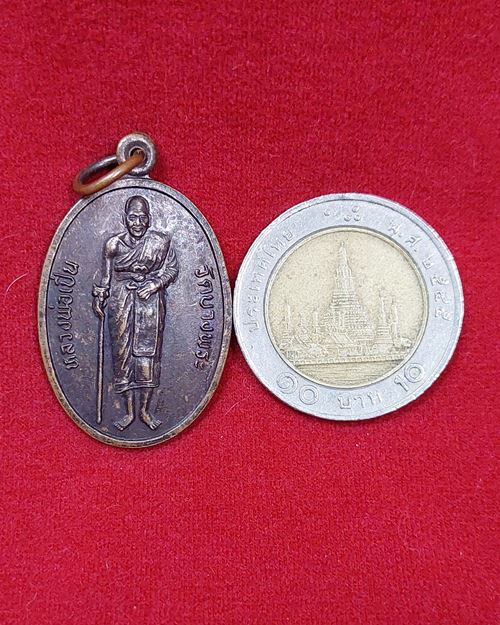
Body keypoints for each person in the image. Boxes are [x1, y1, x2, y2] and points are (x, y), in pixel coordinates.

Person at [92, 195, 178, 431]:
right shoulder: (113, 245)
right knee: (122, 355)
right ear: (125, 219)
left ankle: (144, 411)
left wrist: (155, 284)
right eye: (133, 218)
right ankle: (129, 412)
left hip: (150, 301)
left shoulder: (161, 242)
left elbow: (172, 269)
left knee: (147, 355)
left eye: (142, 218)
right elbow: (106, 278)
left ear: (149, 219)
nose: (138, 223)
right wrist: (100, 297)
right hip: (121, 300)